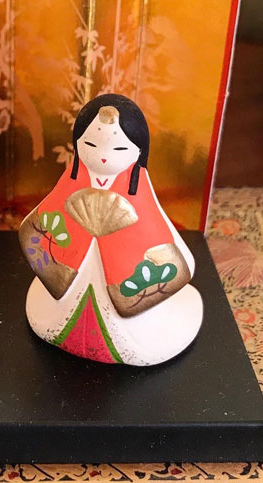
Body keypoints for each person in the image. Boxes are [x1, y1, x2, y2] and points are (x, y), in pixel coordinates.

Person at [19, 93, 202, 365]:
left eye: (118, 149)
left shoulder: (137, 189)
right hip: (67, 287)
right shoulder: (72, 182)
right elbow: (34, 227)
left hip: (125, 290)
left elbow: (166, 247)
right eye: (91, 145)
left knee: (140, 334)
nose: (104, 157)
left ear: (138, 151)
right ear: (77, 144)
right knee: (54, 314)